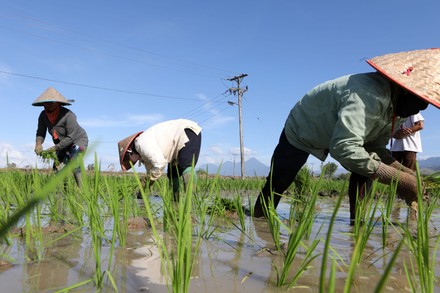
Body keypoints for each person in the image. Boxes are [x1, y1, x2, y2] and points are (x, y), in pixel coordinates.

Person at [252, 48, 440, 223]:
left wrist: (404, 173)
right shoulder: (365, 95)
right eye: (419, 101)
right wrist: (398, 179)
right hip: (304, 128)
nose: (421, 108)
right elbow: (344, 147)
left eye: (426, 103)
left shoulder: (399, 108)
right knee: (279, 180)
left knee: (366, 167)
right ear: (405, 89)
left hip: (337, 132)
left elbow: (375, 148)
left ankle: (356, 224)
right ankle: (259, 222)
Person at [118, 119, 202, 200]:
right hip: (174, 145)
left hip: (186, 132)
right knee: (173, 173)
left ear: (129, 151)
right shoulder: (142, 153)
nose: (133, 163)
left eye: (129, 160)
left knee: (185, 165)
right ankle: (176, 201)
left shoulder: (141, 143)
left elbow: (160, 164)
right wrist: (146, 185)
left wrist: (147, 180)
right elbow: (153, 170)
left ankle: (192, 203)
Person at [33, 87, 88, 187]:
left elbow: (71, 137)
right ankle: (64, 193)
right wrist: (38, 144)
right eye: (46, 103)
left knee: (74, 161)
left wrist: (54, 148)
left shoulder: (68, 115)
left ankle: (83, 191)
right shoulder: (43, 115)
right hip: (61, 144)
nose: (48, 106)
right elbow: (41, 132)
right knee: (57, 167)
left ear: (58, 103)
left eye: (51, 103)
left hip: (78, 141)